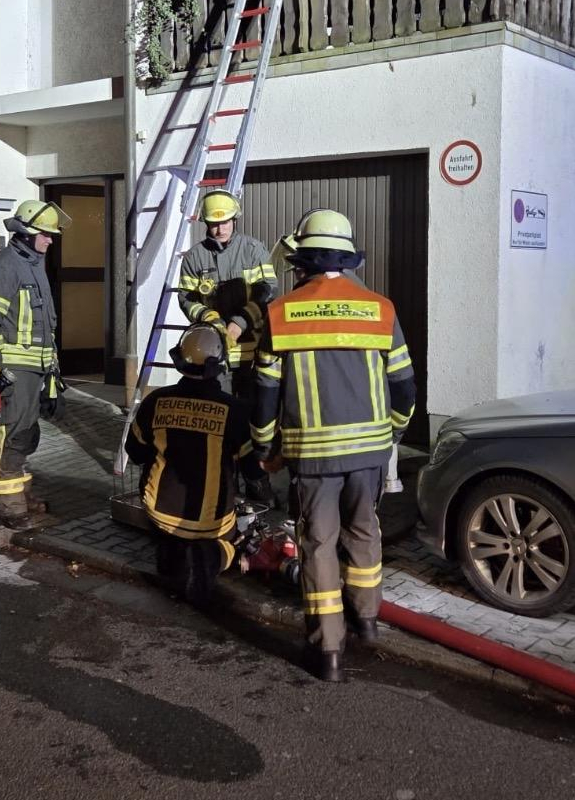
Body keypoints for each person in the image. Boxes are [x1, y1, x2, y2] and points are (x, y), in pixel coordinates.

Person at [251, 209, 416, 682]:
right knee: (364, 532)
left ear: (302, 261)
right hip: (369, 454)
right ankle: (367, 620)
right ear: (348, 260)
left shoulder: (280, 313)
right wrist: (393, 433)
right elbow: (404, 388)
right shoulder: (380, 309)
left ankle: (329, 652)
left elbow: (264, 395)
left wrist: (265, 448)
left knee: (319, 545)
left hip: (312, 457)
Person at [125, 324, 250, 610]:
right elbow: (253, 469)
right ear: (218, 364)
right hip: (212, 521)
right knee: (237, 539)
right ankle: (212, 558)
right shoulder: (235, 410)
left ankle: (171, 553)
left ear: (180, 361)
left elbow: (135, 452)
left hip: (159, 513)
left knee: (170, 537)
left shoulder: (155, 401)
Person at [0, 198, 71, 525]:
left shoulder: (33, 265)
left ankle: (22, 495)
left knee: (26, 435)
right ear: (26, 232)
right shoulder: (2, 267)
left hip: (35, 370)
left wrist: (52, 369)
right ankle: (10, 509)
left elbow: (45, 325)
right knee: (10, 436)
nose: (50, 240)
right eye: (45, 234)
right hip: (11, 372)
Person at [178, 188, 278, 503]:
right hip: (214, 356)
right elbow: (187, 299)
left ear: (235, 219)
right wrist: (210, 319)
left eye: (224, 222)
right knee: (218, 418)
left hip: (250, 353)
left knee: (252, 420)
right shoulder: (195, 257)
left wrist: (240, 322)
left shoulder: (253, 249)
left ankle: (257, 481)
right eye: (213, 224)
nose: (219, 229)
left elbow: (267, 292)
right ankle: (224, 483)